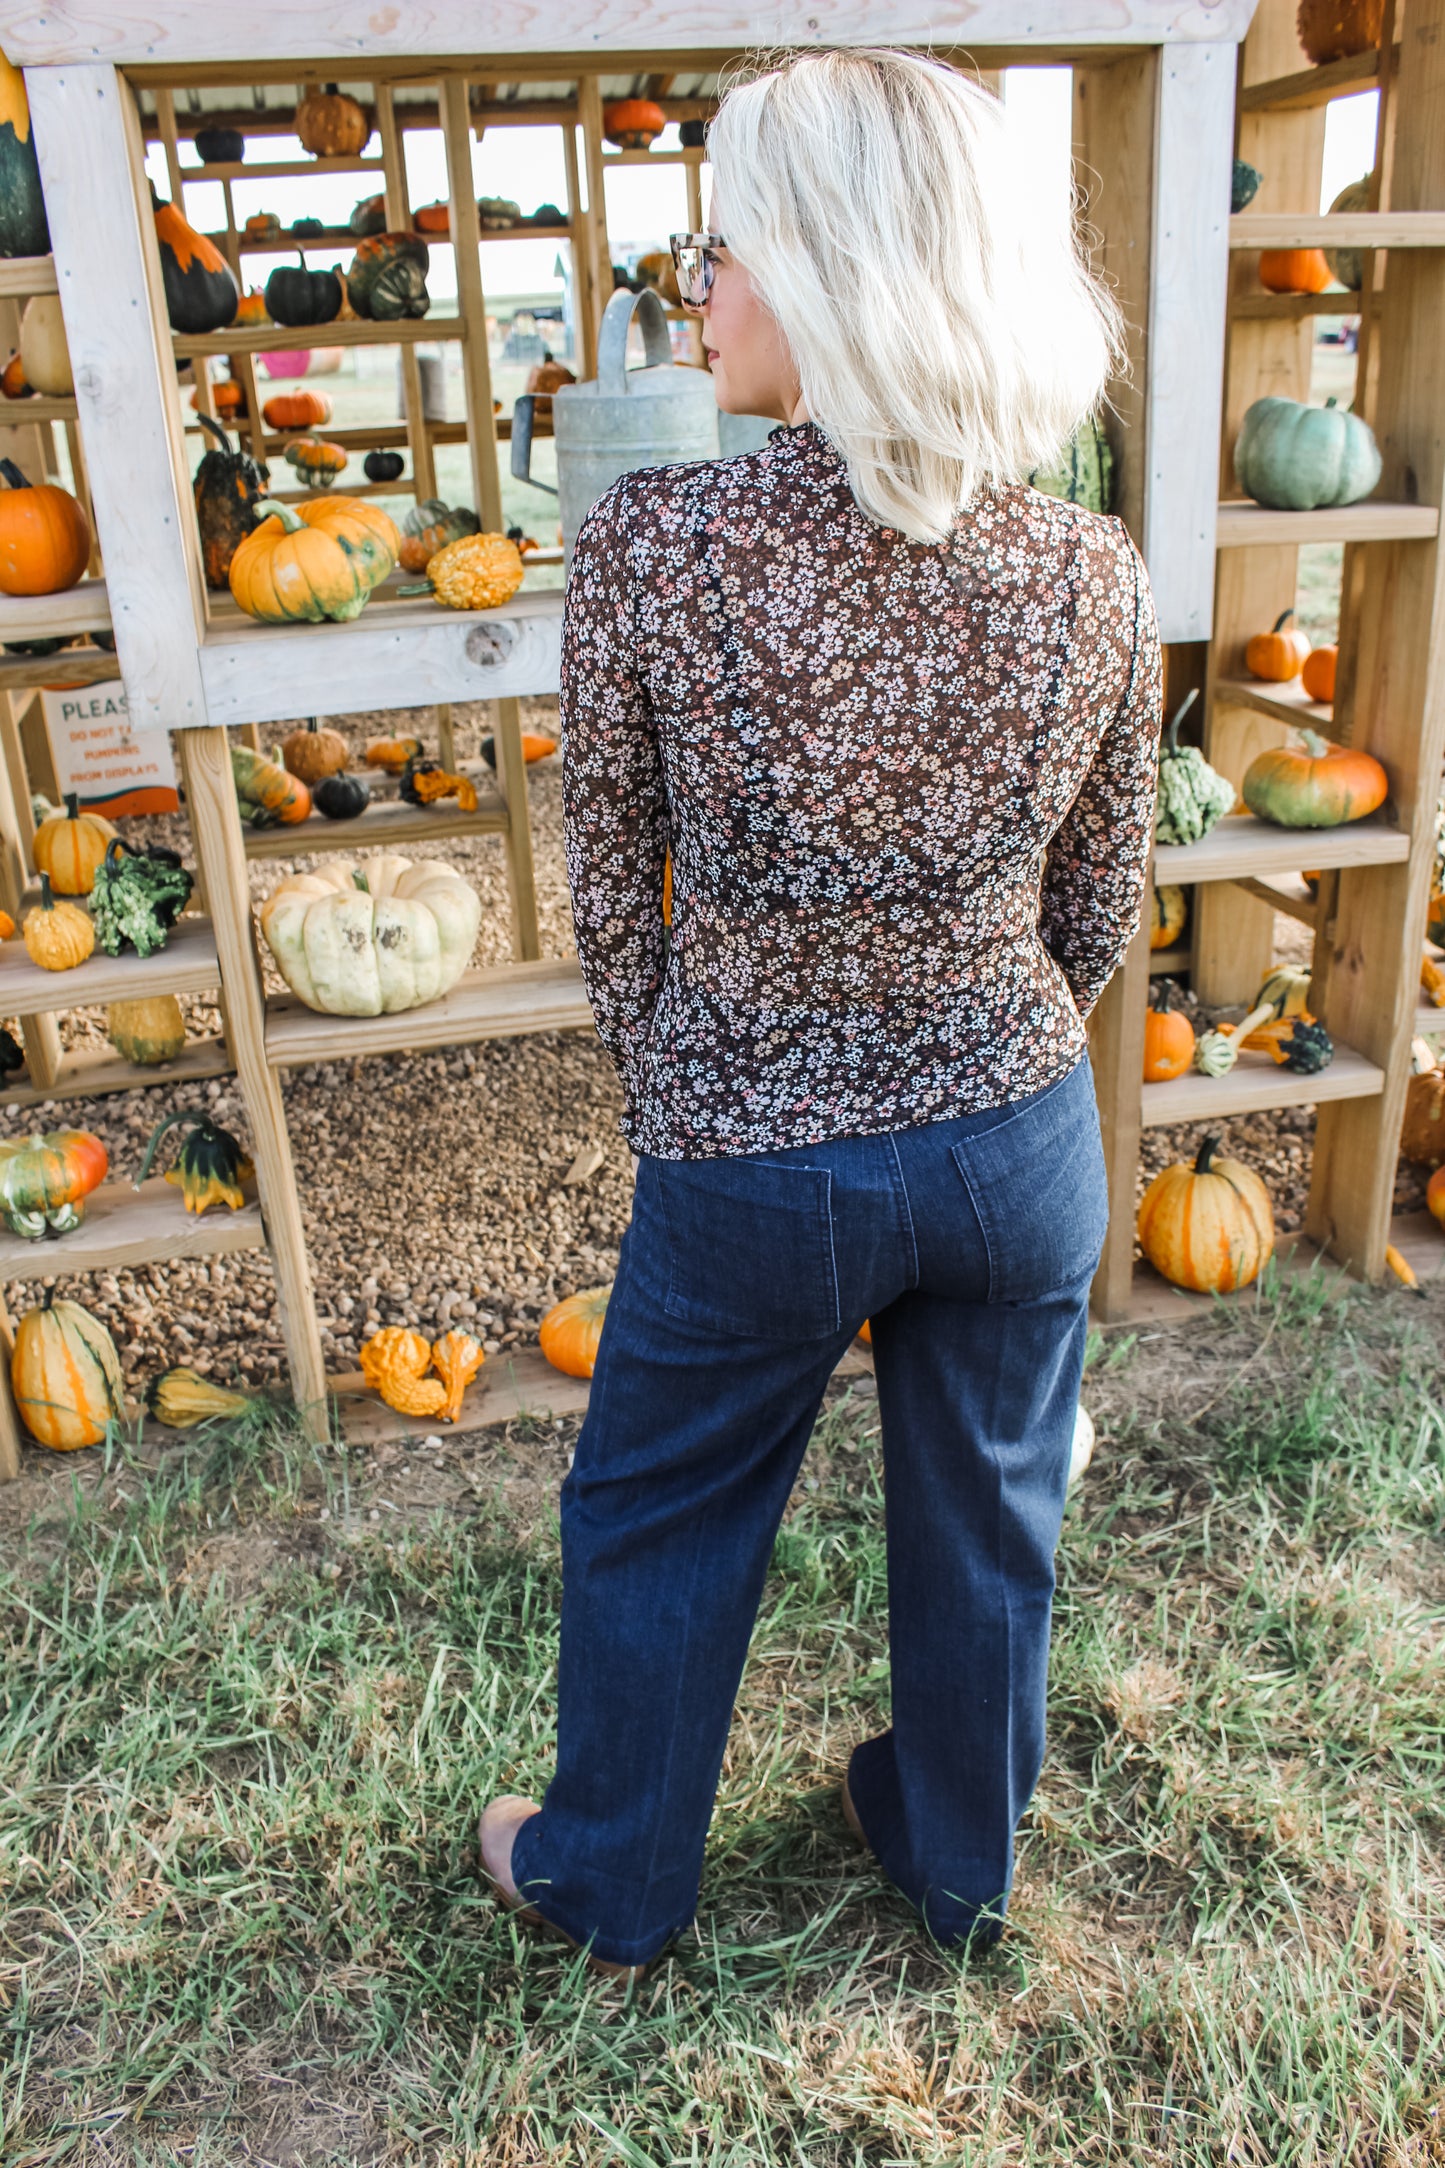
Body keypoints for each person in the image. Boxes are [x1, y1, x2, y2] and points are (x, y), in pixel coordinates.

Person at [479, 46, 1162, 1982]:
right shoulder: (1085, 568)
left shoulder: (649, 547)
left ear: (831, 268)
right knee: (992, 1513)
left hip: (752, 1150)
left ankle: (608, 1875)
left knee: (659, 1509)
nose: (698, 289)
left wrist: (695, 1074)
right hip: (1019, 1131)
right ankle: (958, 1860)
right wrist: (977, 1048)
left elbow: (613, 895)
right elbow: (1097, 899)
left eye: (722, 247)